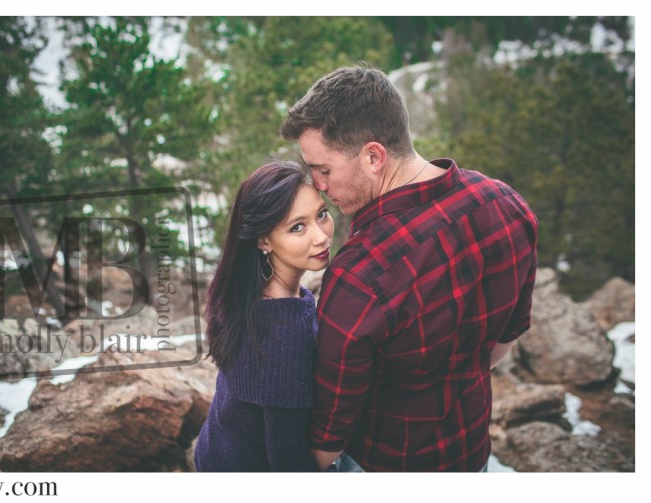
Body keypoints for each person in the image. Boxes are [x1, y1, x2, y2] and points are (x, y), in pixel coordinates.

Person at [279, 65, 539, 472]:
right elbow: (505, 338)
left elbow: (328, 438)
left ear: (373, 156)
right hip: (470, 455)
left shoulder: (360, 275)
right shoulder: (506, 203)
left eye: (323, 169)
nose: (318, 186)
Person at [194, 160, 334, 471]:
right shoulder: (282, 330)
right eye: (298, 227)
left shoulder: (249, 296)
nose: (321, 236)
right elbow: (289, 462)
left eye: (321, 214)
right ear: (263, 241)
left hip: (215, 450)